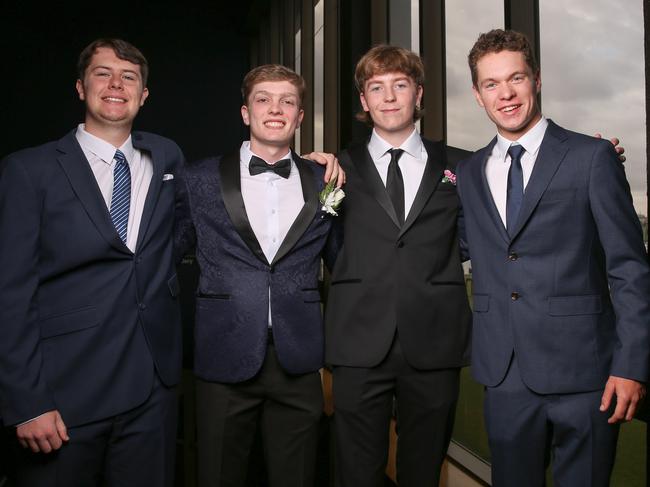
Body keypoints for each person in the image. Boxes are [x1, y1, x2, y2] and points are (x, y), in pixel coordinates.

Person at [456, 29, 650, 487]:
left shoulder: (592, 157)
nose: (505, 94)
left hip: (587, 374)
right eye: (491, 84)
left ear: (536, 80)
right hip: (504, 375)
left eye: (516, 78)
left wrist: (631, 364)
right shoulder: (468, 173)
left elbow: (629, 268)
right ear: (477, 95)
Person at [0, 38, 184, 486]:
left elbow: (182, 235)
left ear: (143, 95)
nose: (116, 84)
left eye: (129, 77)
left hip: (150, 390)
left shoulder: (166, 156)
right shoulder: (29, 170)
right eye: (103, 73)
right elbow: (9, 291)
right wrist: (27, 403)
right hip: (63, 397)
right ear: (81, 87)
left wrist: (312, 168)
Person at [174, 64, 342, 487]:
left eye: (288, 101)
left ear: (300, 116)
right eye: (263, 99)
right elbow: (165, 256)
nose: (275, 109)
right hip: (222, 353)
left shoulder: (327, 181)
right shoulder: (198, 178)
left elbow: (343, 261)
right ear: (246, 113)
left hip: (298, 357)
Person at [320, 45, 472, 487]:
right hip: (357, 340)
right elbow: (328, 241)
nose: (389, 97)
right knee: (356, 472)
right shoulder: (335, 169)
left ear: (418, 94)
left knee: (423, 472)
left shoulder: (460, 166)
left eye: (400, 85)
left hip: (435, 339)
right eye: (376, 88)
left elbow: (470, 233)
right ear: (364, 101)